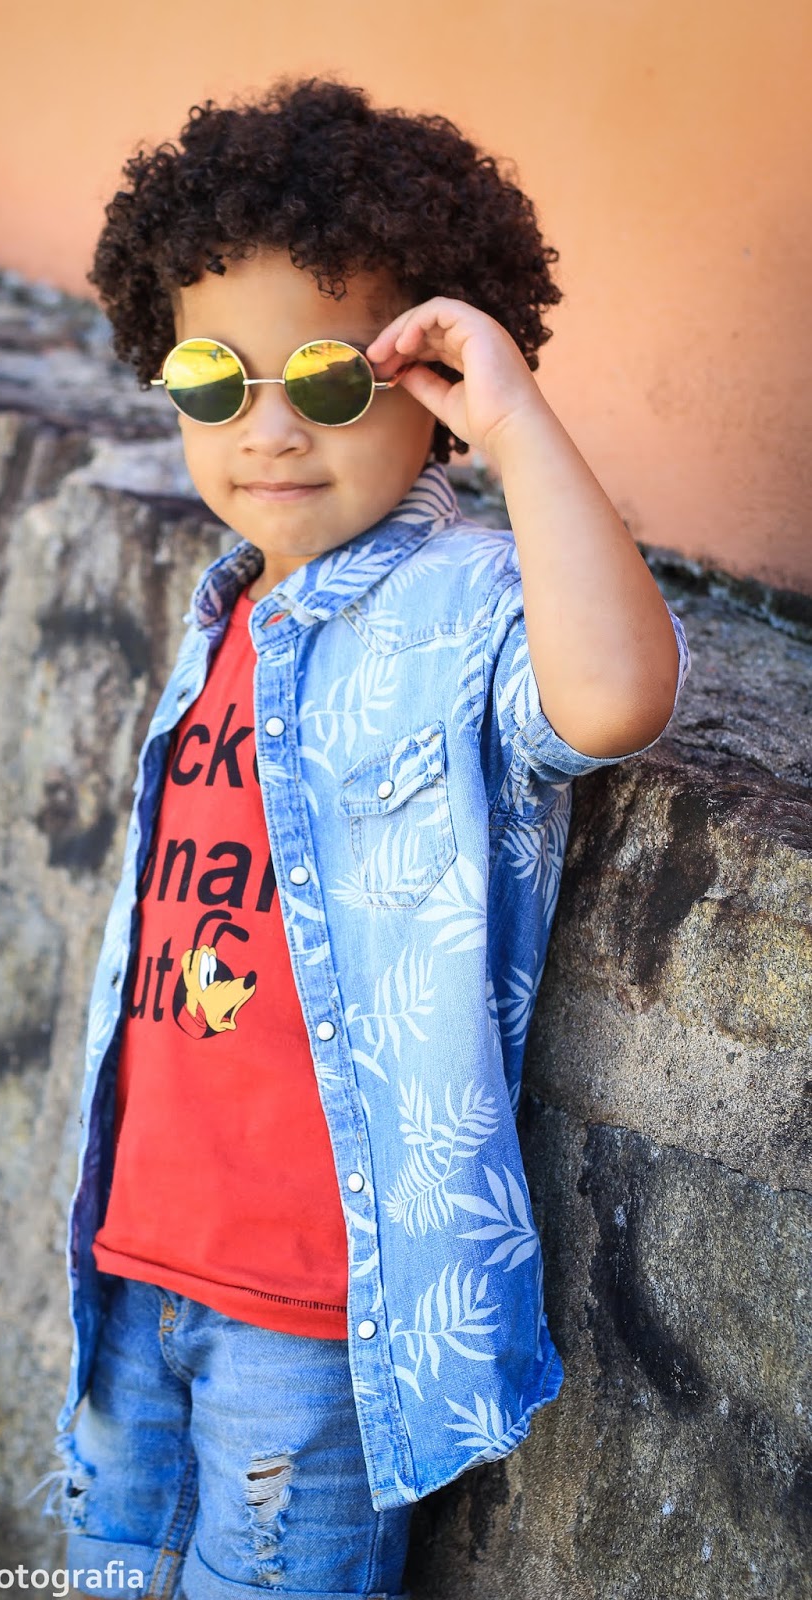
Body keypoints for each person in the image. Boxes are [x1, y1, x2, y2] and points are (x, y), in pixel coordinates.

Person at [44, 78, 691, 1598]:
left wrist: (515, 421)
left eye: (332, 380)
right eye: (215, 379)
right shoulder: (226, 609)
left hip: (313, 1296)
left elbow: (613, 700)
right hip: (135, 1257)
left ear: (427, 382)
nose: (268, 429)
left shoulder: (460, 600)